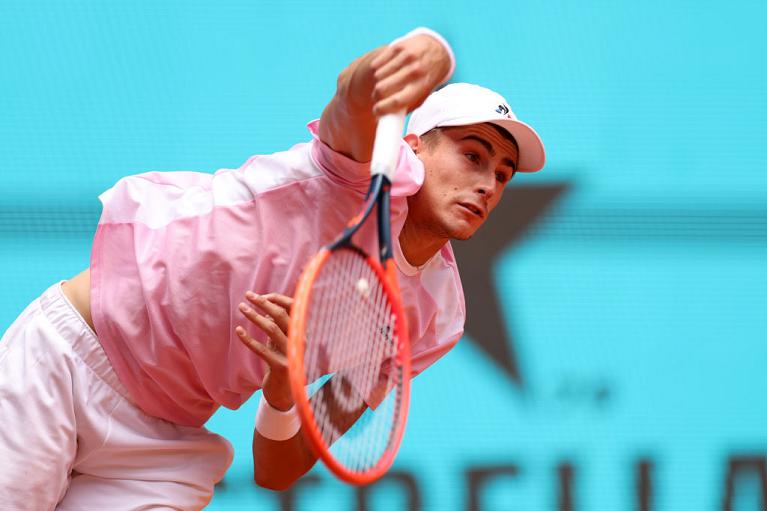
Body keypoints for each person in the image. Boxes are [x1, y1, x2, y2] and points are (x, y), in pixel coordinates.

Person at [0, 27, 545, 509]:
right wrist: (425, 51)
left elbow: (278, 469)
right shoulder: (356, 173)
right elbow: (354, 94)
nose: (488, 183)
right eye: (473, 155)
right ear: (410, 150)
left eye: (503, 173)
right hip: (67, 360)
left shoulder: (432, 319)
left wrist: (284, 391)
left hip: (164, 444)